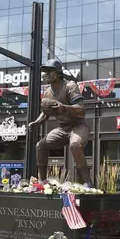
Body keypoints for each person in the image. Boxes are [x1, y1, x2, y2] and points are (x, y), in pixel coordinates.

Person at [28, 59, 93, 187]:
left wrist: (64, 107)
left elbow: (81, 109)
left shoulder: (70, 86)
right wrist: (36, 122)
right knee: (40, 146)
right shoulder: (47, 92)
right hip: (63, 129)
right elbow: (46, 112)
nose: (45, 74)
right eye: (44, 71)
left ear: (58, 73)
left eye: (49, 71)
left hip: (78, 125)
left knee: (74, 145)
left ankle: (87, 182)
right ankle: (42, 181)